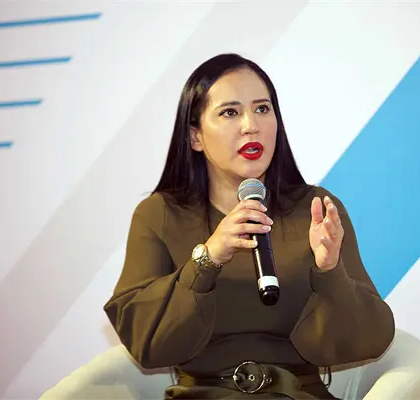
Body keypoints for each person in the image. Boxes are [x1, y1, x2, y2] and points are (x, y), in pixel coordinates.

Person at [103, 53, 395, 400]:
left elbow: (371, 338)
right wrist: (207, 258)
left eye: (262, 109)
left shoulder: (315, 209)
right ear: (195, 136)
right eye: (230, 112)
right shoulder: (159, 214)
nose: (250, 125)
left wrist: (330, 272)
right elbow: (145, 341)